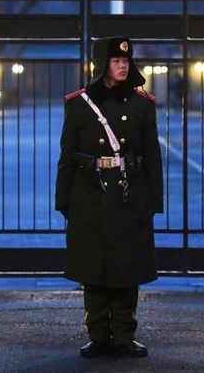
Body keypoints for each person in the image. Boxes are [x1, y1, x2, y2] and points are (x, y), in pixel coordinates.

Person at [55, 36, 163, 358]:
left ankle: (125, 336)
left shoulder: (142, 105)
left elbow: (152, 155)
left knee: (126, 268)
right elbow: (67, 156)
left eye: (126, 61)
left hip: (129, 195)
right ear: (101, 65)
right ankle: (99, 335)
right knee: (94, 268)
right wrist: (64, 200)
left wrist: (154, 200)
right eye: (116, 61)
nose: (122, 65)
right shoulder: (79, 105)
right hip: (89, 195)